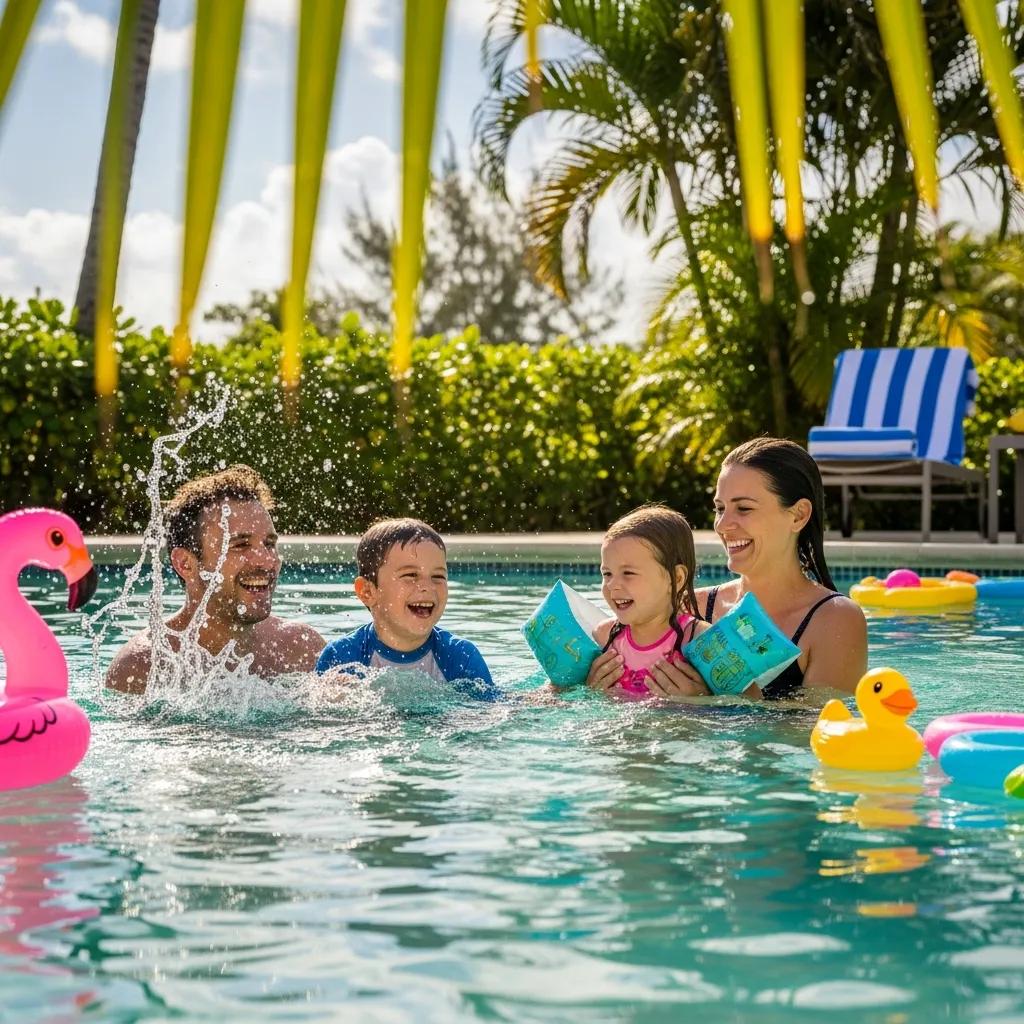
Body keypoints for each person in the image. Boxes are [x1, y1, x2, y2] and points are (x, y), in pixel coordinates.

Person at [592, 437, 867, 700]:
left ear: (798, 515)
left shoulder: (833, 620)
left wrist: (708, 703)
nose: (723, 525)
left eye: (744, 508)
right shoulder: (688, 607)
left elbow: (817, 732)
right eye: (720, 508)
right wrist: (594, 686)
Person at [106, 465, 325, 693]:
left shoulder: (301, 649)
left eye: (269, 544)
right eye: (240, 545)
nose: (267, 560)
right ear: (185, 564)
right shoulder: (142, 667)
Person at [316, 518, 499, 699]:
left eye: (438, 576)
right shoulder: (342, 656)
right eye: (411, 575)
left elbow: (490, 711)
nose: (427, 586)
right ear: (367, 592)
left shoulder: (460, 657)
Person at [586, 505, 709, 697]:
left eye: (628, 573)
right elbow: (557, 692)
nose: (612, 585)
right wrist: (589, 690)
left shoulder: (699, 640)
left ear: (675, 578)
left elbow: (751, 706)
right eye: (607, 573)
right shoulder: (604, 638)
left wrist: (702, 699)